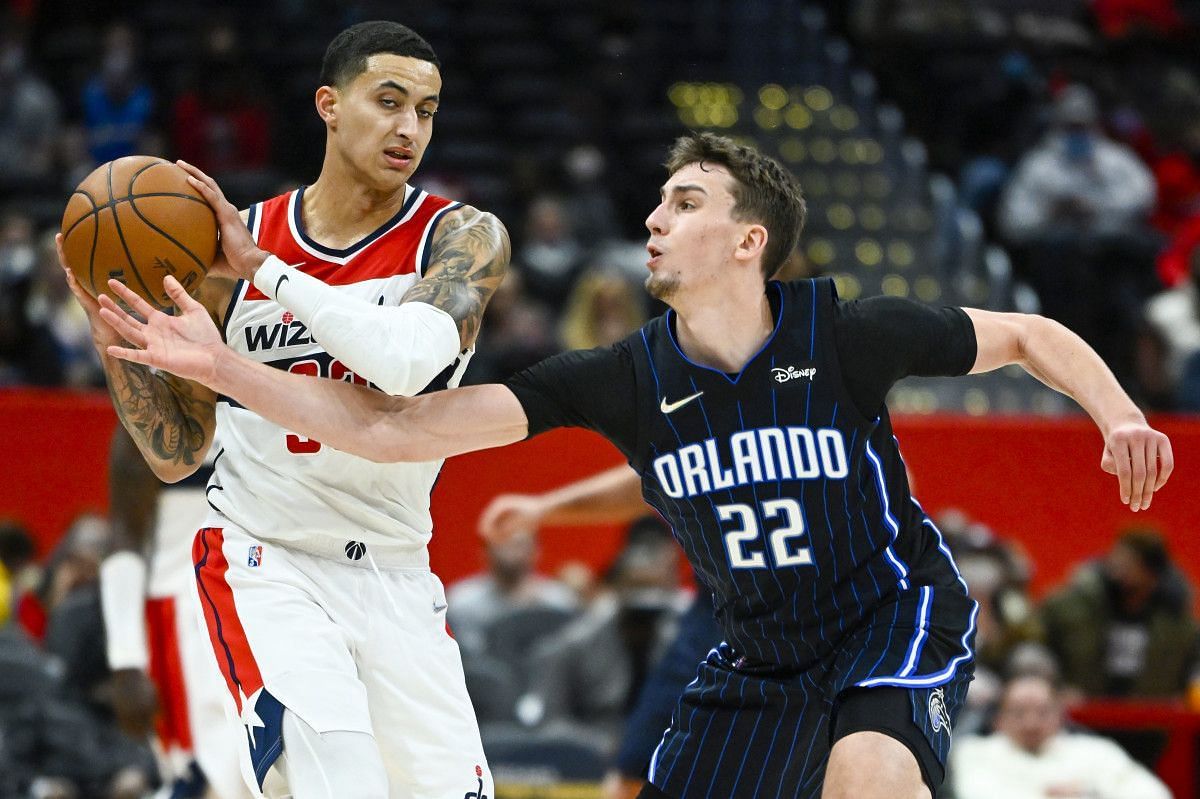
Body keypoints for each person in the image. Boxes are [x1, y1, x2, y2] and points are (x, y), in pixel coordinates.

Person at [99, 132, 1173, 798]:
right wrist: (224, 366)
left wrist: (1119, 412)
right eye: (658, 203)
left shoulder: (849, 332)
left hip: (888, 618)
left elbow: (1032, 336)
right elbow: (392, 428)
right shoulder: (623, 378)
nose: (654, 219)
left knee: (868, 781)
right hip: (757, 651)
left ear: (749, 242)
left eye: (686, 203)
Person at [61, 20, 509, 798]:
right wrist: (114, 340)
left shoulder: (459, 237)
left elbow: (403, 363)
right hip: (267, 563)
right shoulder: (228, 249)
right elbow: (176, 449)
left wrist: (263, 271)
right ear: (329, 105)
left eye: (428, 111)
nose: (409, 128)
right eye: (389, 101)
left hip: (399, 573)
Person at [478, 465, 721, 799]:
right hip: (724, 622)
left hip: (786, 634)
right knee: (630, 775)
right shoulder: (586, 634)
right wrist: (544, 508)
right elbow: (660, 471)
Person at [102, 428, 249, 798]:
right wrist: (126, 659)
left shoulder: (272, 392)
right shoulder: (154, 406)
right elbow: (124, 532)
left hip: (262, 599)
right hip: (182, 614)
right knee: (208, 776)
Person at [948, 673, 1170, 799]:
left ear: (1060, 716)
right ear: (999, 719)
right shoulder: (973, 753)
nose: (1031, 723)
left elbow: (1154, 793)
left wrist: (1087, 792)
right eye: (1019, 713)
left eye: (1042, 712)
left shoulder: (1097, 751)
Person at [1039, 528, 1199, 699]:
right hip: (1077, 712)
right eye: (1116, 561)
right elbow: (1038, 646)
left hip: (1152, 717)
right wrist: (1055, 689)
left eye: (1130, 564)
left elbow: (1193, 666)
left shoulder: (1177, 622)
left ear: (1152, 574)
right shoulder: (1069, 607)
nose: (1118, 571)